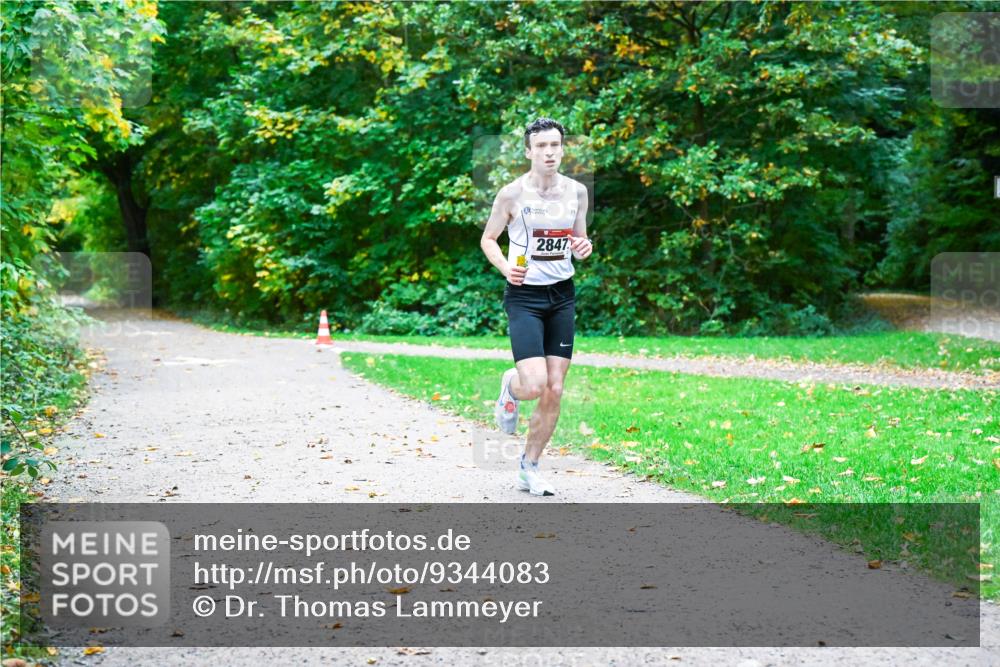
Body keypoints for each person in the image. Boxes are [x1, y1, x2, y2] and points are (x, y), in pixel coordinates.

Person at [479, 117, 593, 496]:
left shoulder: (577, 192)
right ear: (528, 151)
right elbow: (489, 240)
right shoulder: (511, 194)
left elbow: (579, 239)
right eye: (541, 146)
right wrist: (504, 266)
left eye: (555, 145)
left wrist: (584, 246)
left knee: (555, 389)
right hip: (525, 296)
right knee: (534, 384)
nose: (549, 152)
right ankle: (509, 388)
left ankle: (529, 466)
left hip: (561, 295)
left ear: (563, 149)